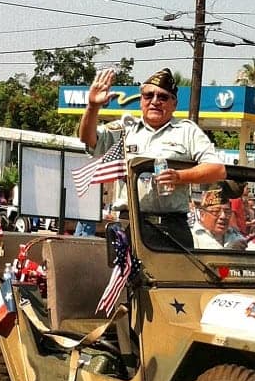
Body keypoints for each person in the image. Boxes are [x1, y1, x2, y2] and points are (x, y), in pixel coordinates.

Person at [79, 67, 226, 248]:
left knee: (175, 276)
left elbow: (217, 170)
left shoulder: (187, 131)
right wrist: (93, 106)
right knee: (126, 275)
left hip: (172, 227)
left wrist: (180, 177)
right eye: (149, 96)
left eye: (163, 97)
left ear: (174, 104)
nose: (155, 101)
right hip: (130, 224)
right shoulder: (125, 129)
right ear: (141, 100)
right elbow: (89, 139)